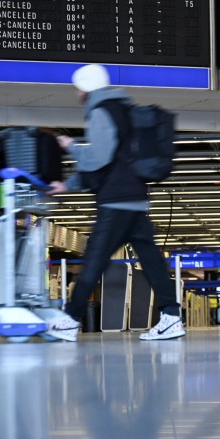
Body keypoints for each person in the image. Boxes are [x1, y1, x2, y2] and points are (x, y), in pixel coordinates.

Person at [45, 64, 185, 342]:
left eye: (77, 87)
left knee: (95, 261)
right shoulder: (125, 110)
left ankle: (70, 320)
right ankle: (171, 316)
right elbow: (115, 161)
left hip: (116, 202)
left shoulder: (100, 111)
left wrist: (70, 146)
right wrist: (69, 185)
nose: (76, 92)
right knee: (152, 261)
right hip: (134, 197)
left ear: (85, 87)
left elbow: (100, 159)